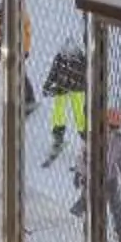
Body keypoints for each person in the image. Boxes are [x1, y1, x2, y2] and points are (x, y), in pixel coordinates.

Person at [71, 106, 121, 242]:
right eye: (111, 126)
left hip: (110, 178)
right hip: (92, 176)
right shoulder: (94, 137)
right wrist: (79, 173)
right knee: (87, 197)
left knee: (116, 204)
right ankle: (76, 219)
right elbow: (81, 157)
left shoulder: (119, 141)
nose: (113, 130)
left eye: (116, 127)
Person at [40, 36, 90, 167]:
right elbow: (53, 71)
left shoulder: (81, 60)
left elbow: (85, 77)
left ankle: (86, 140)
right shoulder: (59, 57)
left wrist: (83, 87)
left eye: (70, 57)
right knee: (58, 112)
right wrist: (47, 85)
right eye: (65, 56)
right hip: (62, 87)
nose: (67, 59)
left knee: (79, 114)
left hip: (77, 89)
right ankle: (58, 137)